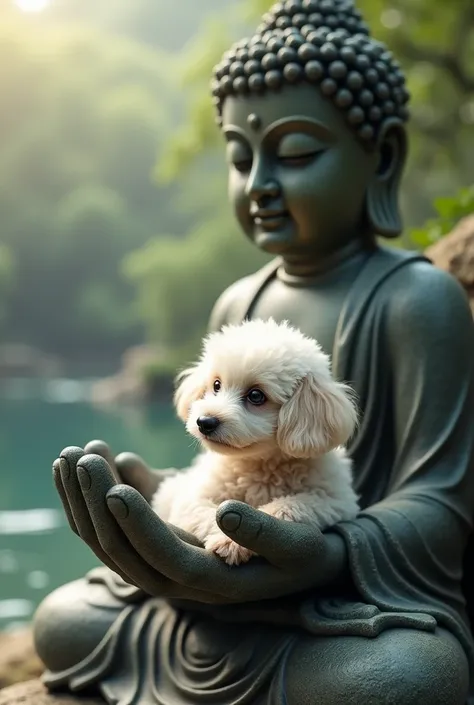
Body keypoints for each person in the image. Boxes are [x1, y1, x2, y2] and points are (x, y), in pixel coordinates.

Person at [33, 1, 474, 702]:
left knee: (406, 678)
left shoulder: (417, 297)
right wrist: (180, 548)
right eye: (241, 157)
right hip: (215, 588)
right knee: (64, 620)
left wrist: (318, 556)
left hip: (343, 597)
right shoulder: (239, 301)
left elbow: (443, 504)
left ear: (381, 155)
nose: (261, 182)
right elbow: (214, 426)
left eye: (296, 153)